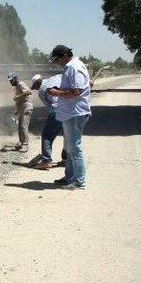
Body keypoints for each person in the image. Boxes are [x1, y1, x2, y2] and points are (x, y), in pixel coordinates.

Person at [46, 44, 91, 189]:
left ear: (64, 55)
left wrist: (56, 93)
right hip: (71, 113)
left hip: (75, 113)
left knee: (74, 149)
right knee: (70, 149)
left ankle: (78, 182)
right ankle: (69, 178)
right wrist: (60, 90)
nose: (56, 63)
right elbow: (72, 90)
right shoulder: (72, 66)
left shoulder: (73, 67)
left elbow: (75, 92)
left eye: (57, 60)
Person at [30, 74, 67, 170]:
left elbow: (51, 105)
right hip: (67, 110)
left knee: (47, 136)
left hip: (56, 113)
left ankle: (46, 161)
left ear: (38, 82)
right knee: (67, 135)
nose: (36, 88)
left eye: (36, 86)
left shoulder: (42, 90)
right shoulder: (55, 78)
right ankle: (66, 160)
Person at [8, 72, 33, 152]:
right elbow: (18, 100)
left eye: (11, 80)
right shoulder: (17, 87)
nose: (10, 82)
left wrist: (18, 96)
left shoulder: (21, 84)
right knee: (20, 127)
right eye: (10, 81)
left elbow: (29, 92)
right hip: (22, 107)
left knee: (23, 126)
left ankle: (25, 145)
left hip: (26, 106)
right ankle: (22, 143)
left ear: (15, 79)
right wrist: (16, 110)